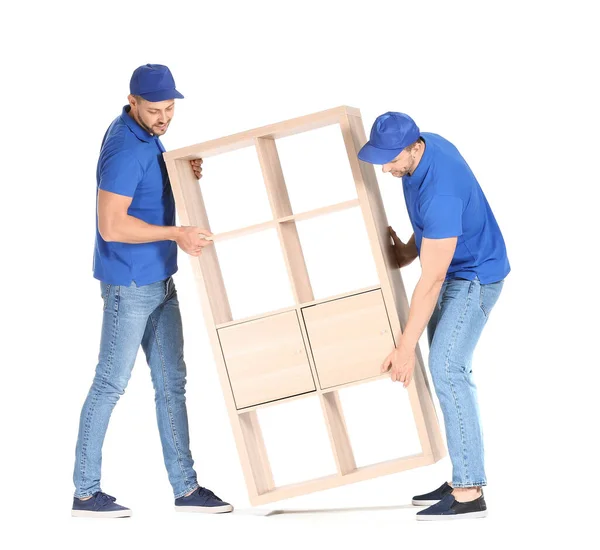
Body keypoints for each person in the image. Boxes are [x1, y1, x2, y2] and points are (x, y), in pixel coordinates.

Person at [72, 64, 233, 518]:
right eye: (154, 110)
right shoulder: (125, 147)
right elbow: (112, 224)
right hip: (131, 285)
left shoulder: (144, 133)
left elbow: (147, 181)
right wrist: (176, 233)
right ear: (132, 102)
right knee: (110, 383)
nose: (163, 118)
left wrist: (177, 171)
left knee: (171, 384)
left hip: (160, 280)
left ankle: (186, 490)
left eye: (169, 109)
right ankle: (85, 493)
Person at [358, 112, 510, 521]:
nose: (386, 167)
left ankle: (469, 492)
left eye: (391, 159)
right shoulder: (426, 147)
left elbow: (433, 276)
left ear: (414, 147)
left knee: (447, 367)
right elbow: (432, 228)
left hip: (473, 276)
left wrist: (404, 348)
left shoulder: (440, 188)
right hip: (452, 268)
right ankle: (462, 472)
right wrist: (408, 250)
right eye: (381, 158)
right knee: (447, 368)